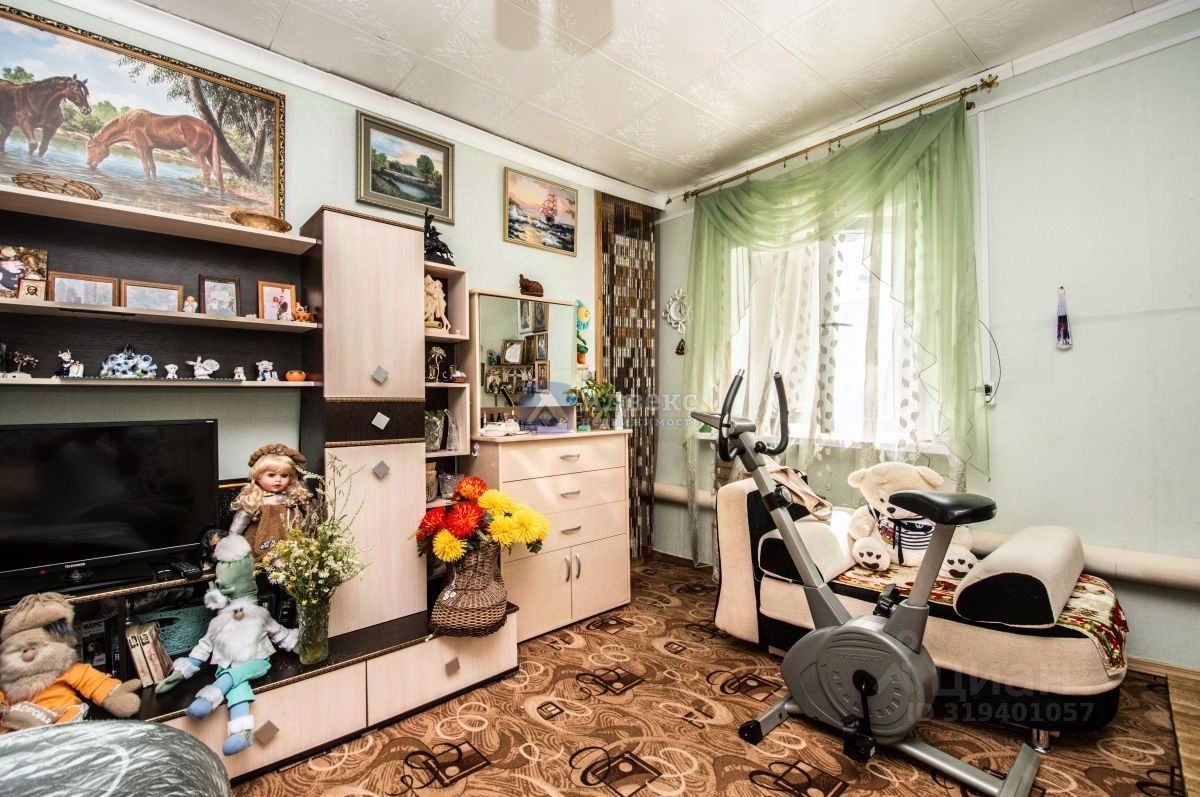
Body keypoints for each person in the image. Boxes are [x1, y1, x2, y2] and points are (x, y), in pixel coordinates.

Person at [228, 444, 310, 558]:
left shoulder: (292, 499)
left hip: (290, 548)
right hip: (259, 545)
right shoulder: (254, 499)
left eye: (284, 475)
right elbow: (238, 525)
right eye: (271, 475)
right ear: (257, 476)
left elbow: (304, 522)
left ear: (291, 478)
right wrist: (230, 545)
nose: (278, 480)